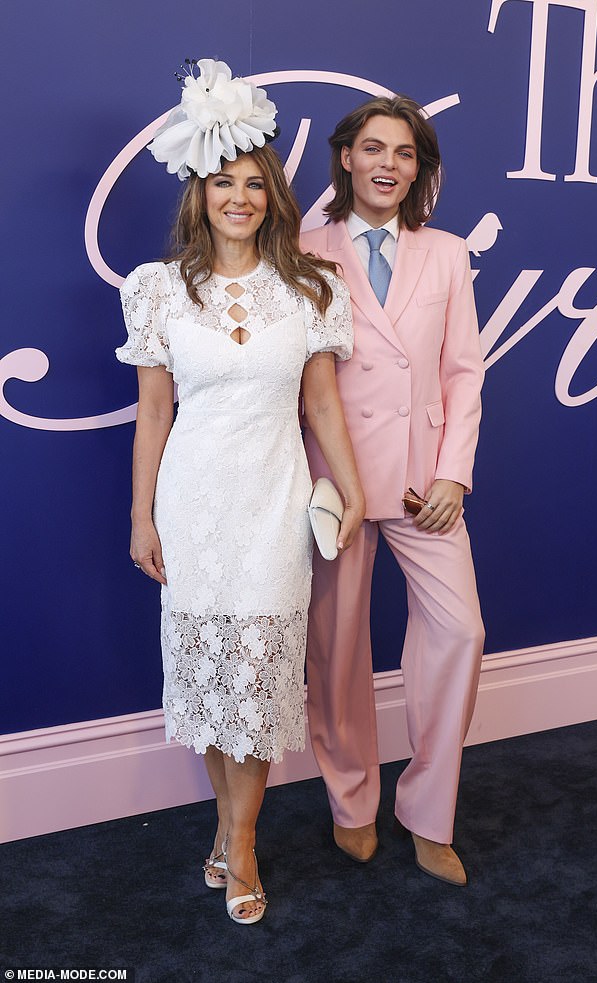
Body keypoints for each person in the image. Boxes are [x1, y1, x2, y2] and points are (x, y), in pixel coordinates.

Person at [115, 59, 365, 923]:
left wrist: (352, 487)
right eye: (223, 182)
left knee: (257, 683)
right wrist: (142, 513)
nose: (239, 198)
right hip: (193, 504)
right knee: (213, 683)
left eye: (254, 184)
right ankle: (229, 831)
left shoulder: (311, 287)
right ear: (199, 192)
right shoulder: (158, 291)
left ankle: (243, 841)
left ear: (273, 196)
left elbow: (323, 401)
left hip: (274, 503)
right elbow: (153, 415)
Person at [300, 96, 485, 886]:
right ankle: (351, 803)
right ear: (346, 157)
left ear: (419, 168)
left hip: (422, 482)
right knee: (337, 652)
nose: (388, 164)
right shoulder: (302, 249)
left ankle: (428, 813)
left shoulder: (446, 251)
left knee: (461, 632)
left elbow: (462, 370)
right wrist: (320, 483)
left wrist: (453, 472)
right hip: (334, 480)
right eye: (373, 148)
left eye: (404, 154)